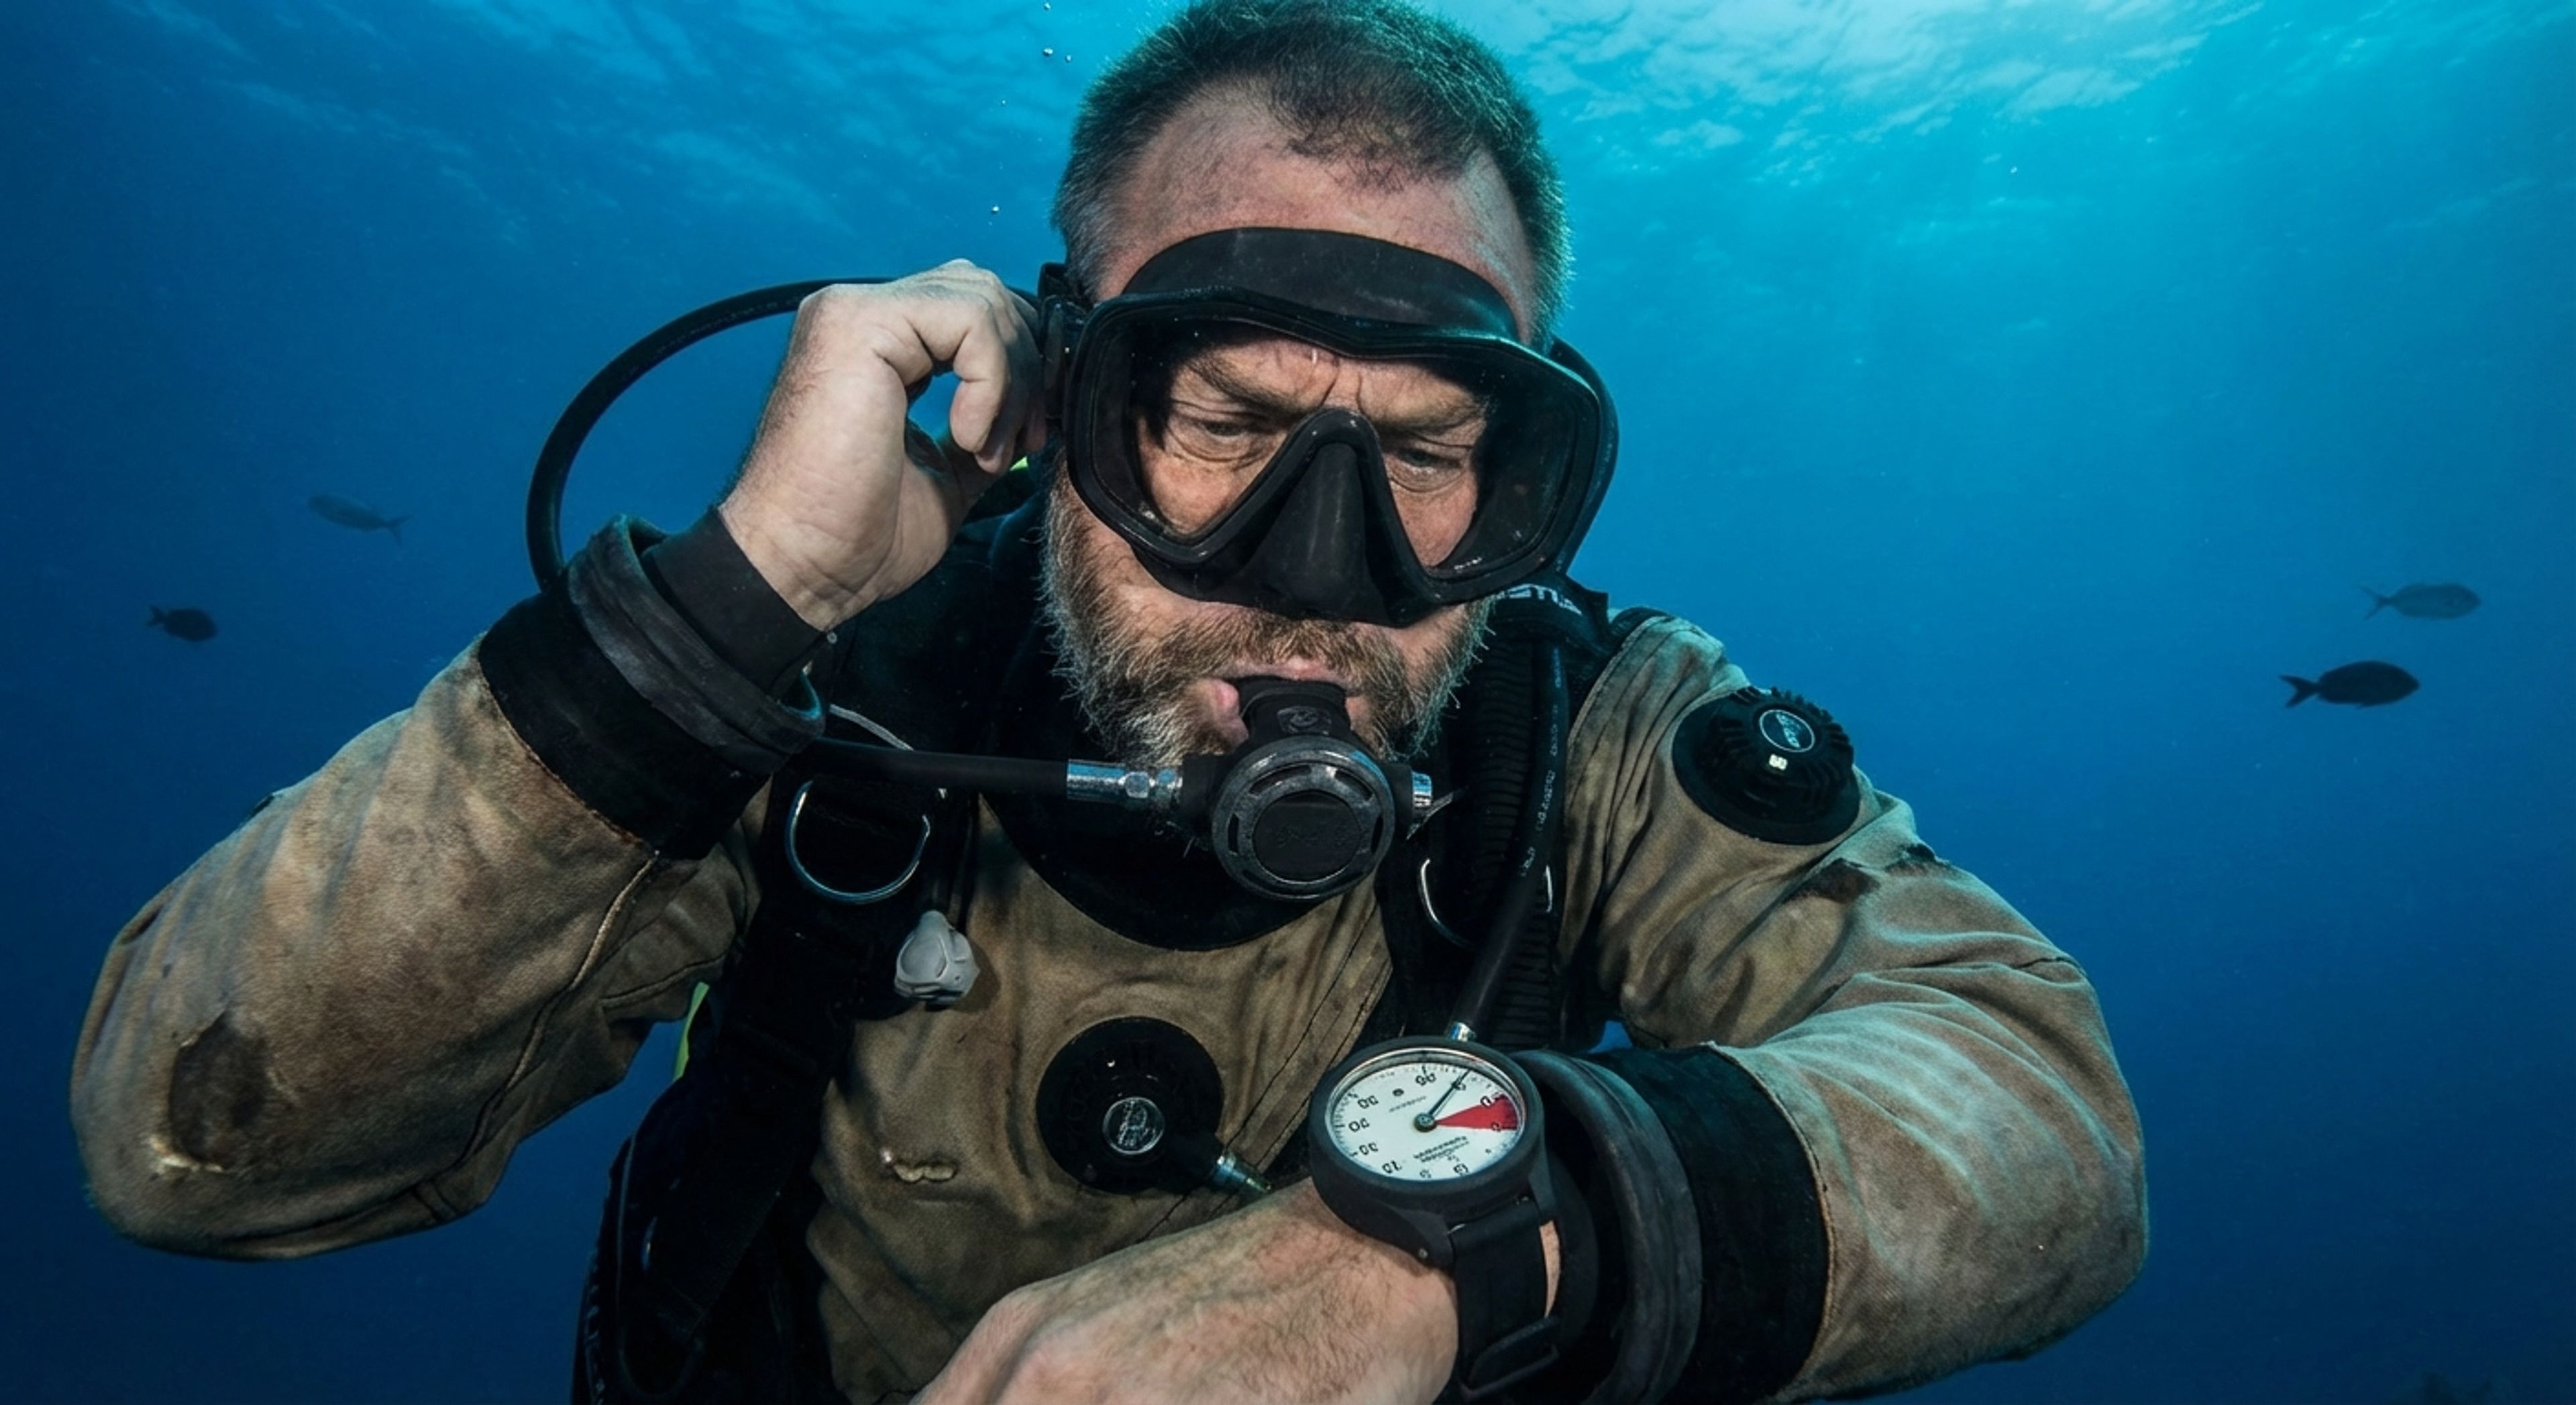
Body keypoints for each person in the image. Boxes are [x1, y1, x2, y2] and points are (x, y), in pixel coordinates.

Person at [70, 3, 2147, 1402]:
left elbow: (2044, 1115)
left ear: (1527, 482)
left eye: (1425, 460)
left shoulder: (1585, 730)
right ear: (1058, 396)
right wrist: (740, 608)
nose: (1315, 575)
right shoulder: (823, 708)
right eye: (1222, 416)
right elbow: (195, 1154)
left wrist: (1423, 1263)